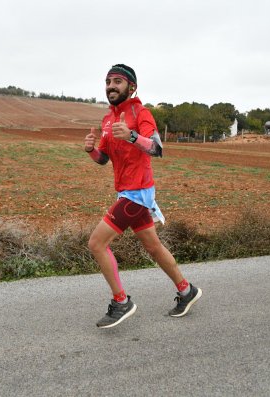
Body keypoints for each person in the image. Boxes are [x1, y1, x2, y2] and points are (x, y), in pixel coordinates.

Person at [84, 64, 202, 328]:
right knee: (153, 246)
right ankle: (186, 291)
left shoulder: (141, 112)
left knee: (96, 244)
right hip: (126, 191)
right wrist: (91, 150)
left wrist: (133, 135)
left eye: (117, 81)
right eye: (108, 81)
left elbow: (157, 148)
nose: (111, 86)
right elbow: (103, 159)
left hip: (138, 194)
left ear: (131, 87)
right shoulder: (107, 120)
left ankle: (121, 302)